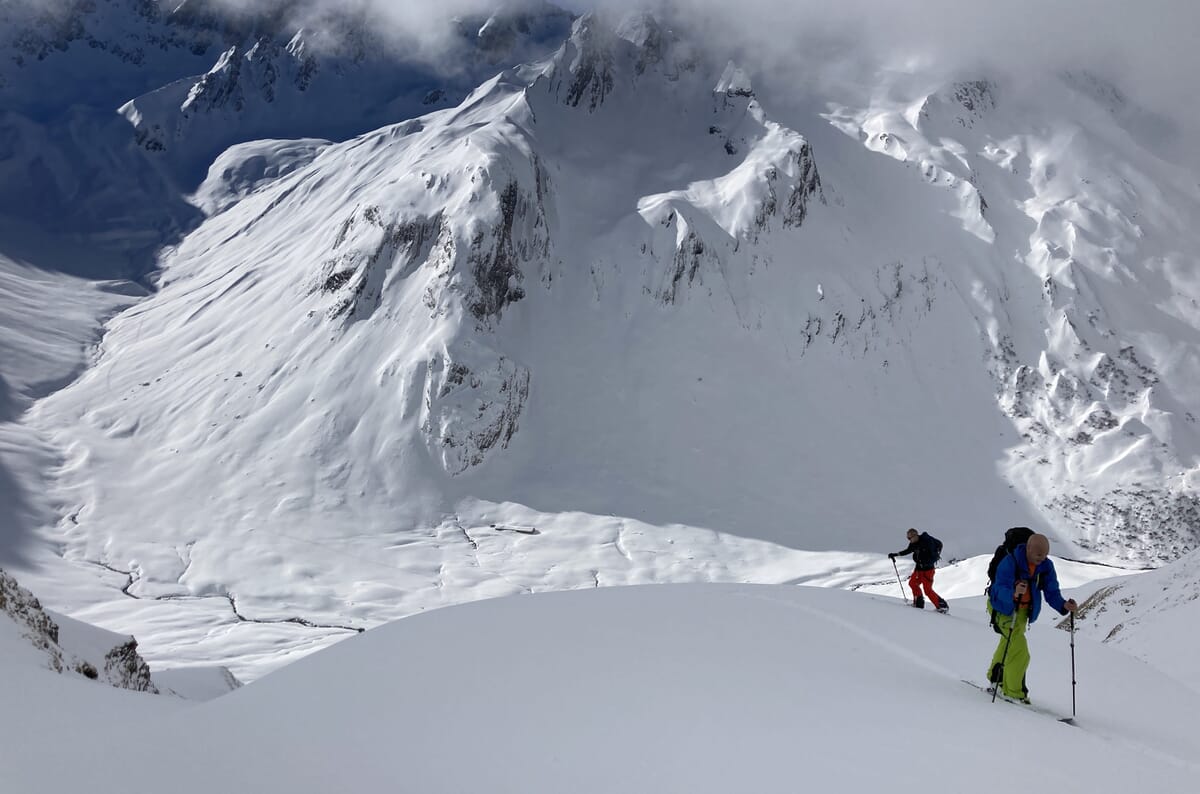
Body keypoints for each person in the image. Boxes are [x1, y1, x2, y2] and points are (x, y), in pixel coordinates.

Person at [986, 533, 1078, 703]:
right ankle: (1013, 693)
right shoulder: (1010, 562)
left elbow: (1051, 591)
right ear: (1028, 548)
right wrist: (1013, 593)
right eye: (1038, 555)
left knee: (1008, 644)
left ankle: (995, 678)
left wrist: (1063, 605)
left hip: (1021, 613)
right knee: (1020, 652)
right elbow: (998, 589)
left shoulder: (1045, 566)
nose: (1041, 559)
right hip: (1003, 609)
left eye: (1044, 555)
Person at [889, 527, 948, 613]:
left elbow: (934, 556)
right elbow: (908, 550)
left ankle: (942, 606)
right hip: (919, 569)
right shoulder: (914, 543)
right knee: (913, 583)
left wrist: (925, 562)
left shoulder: (927, 542)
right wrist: (896, 554)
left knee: (927, 590)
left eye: (910, 538)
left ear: (915, 535)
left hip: (928, 570)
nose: (909, 540)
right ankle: (918, 603)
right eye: (908, 538)